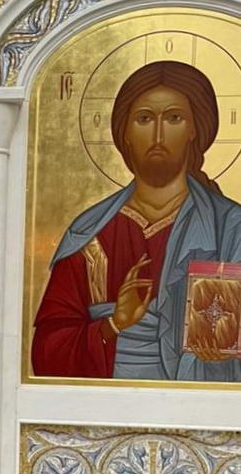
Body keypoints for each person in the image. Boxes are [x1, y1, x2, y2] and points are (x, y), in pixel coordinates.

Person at [32, 61, 241, 382]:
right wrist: (114, 323)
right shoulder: (89, 234)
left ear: (194, 129)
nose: (158, 135)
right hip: (108, 403)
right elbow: (48, 351)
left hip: (200, 404)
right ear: (125, 132)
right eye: (144, 118)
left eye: (174, 118)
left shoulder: (229, 227)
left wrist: (224, 345)